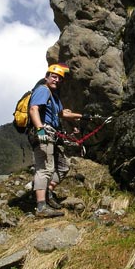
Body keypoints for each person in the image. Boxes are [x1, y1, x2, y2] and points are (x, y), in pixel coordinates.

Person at [28, 63, 84, 217]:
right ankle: (41, 207)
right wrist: (40, 129)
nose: (56, 80)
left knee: (63, 167)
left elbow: (62, 114)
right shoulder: (43, 90)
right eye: (54, 76)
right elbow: (34, 109)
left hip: (52, 134)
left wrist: (80, 117)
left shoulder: (55, 97)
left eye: (59, 78)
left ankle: (47, 192)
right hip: (43, 132)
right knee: (45, 167)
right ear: (47, 77)